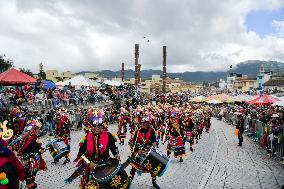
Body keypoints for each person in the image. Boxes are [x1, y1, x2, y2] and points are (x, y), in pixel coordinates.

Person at [75, 121, 120, 188]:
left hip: (105, 164)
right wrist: (89, 162)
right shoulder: (87, 137)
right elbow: (80, 154)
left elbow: (114, 148)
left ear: (102, 127)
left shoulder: (108, 135)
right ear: (91, 127)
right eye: (94, 126)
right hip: (91, 165)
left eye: (99, 126)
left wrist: (116, 155)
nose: (96, 128)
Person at [128, 118, 160, 189]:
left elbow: (154, 141)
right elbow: (134, 143)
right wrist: (138, 149)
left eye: (145, 123)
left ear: (148, 123)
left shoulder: (151, 131)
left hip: (148, 152)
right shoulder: (138, 131)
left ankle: (154, 183)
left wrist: (153, 146)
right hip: (139, 152)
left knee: (152, 168)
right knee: (133, 168)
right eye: (142, 123)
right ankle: (129, 182)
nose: (143, 124)